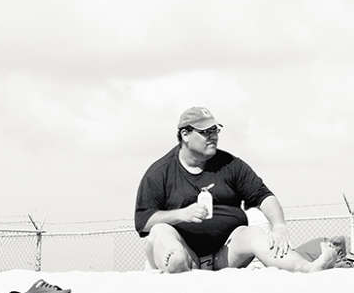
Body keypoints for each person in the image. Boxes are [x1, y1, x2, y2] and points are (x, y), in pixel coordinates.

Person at [135, 106, 339, 273]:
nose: (213, 136)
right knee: (161, 231)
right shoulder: (160, 172)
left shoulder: (230, 164)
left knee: (254, 234)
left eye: (215, 130)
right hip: (186, 252)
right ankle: (177, 265)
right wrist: (182, 214)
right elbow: (143, 222)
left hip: (225, 253)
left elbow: (264, 196)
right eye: (205, 132)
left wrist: (279, 226)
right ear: (185, 134)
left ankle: (309, 268)